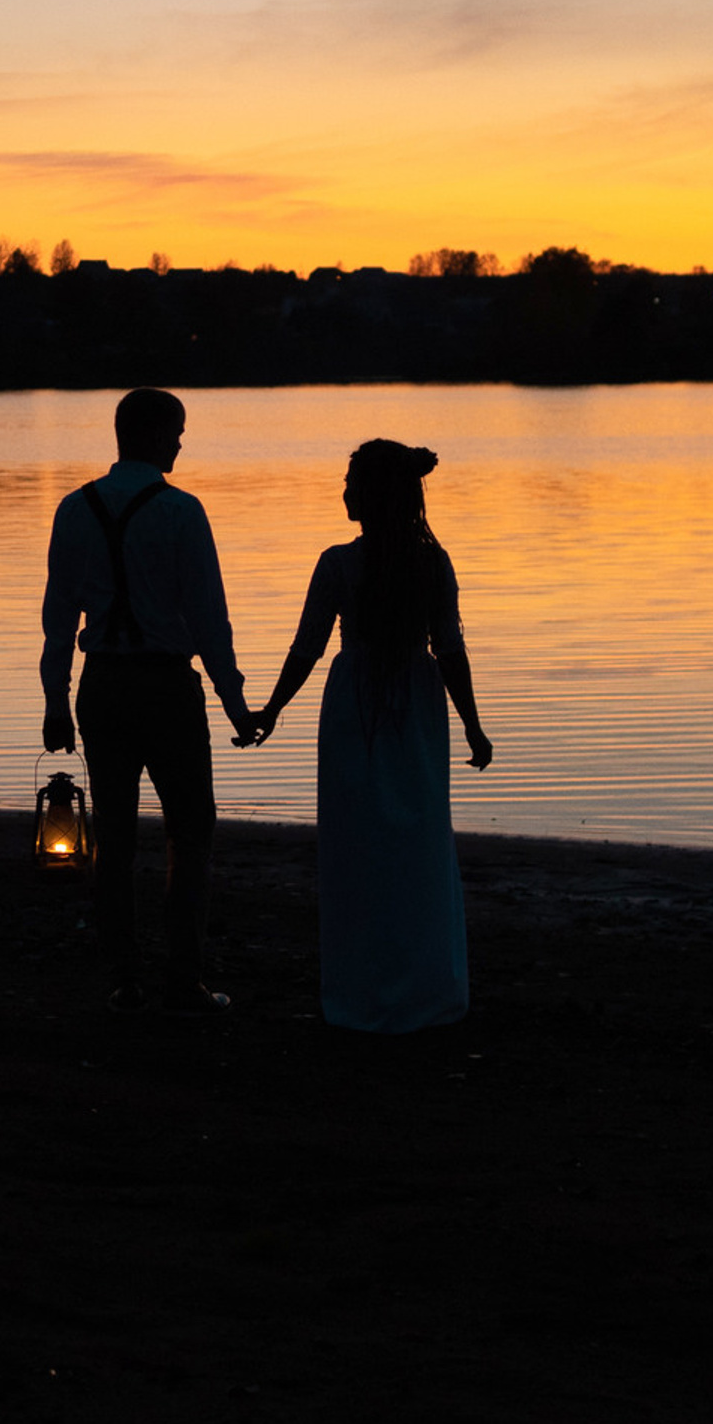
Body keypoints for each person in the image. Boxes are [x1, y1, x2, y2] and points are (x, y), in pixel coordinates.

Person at [250, 439, 493, 1032]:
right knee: (417, 846)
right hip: (415, 704)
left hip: (354, 707)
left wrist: (272, 708)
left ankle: (363, 991)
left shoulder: (338, 564)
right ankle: (422, 987)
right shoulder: (431, 562)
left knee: (358, 849)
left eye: (352, 481)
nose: (345, 492)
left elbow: (307, 647)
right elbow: (450, 652)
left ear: (373, 495)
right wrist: (471, 725)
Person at [41, 387, 262, 1013]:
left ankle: (123, 980)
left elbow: (58, 618)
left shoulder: (73, 508)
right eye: (177, 432)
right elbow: (209, 620)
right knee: (190, 834)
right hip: (166, 687)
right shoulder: (182, 512)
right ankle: (183, 979)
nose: (181, 443)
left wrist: (55, 700)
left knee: (114, 837)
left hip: (102, 686)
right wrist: (234, 703)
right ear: (152, 435)